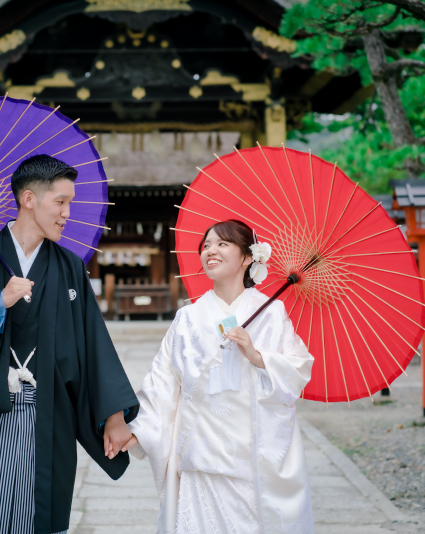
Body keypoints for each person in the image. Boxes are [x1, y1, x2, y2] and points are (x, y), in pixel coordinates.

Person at [0, 154, 138, 534]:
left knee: (39, 512)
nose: (66, 213)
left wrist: (113, 416)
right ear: (29, 199)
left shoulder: (69, 266)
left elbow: (93, 342)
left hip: (49, 412)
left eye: (69, 203)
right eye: (60, 202)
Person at [122, 219, 314, 534]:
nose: (210, 251)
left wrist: (257, 356)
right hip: (199, 458)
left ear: (248, 257)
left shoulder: (271, 313)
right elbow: (163, 381)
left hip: (252, 460)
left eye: (223, 244)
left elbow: (297, 370)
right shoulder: (187, 318)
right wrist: (139, 431)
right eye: (206, 245)